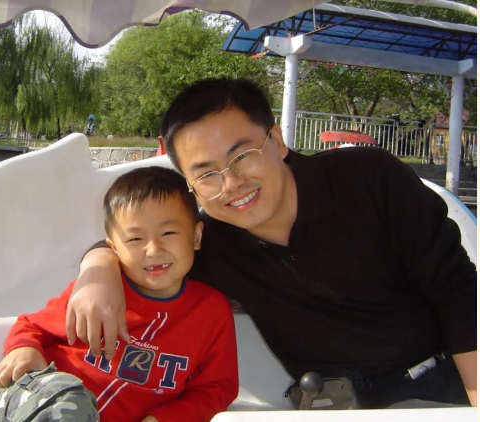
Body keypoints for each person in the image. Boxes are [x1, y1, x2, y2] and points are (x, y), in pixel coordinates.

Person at [66, 78, 477, 409]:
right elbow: (141, 247)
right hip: (330, 401)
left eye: (242, 156)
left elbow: (458, 291)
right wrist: (97, 268)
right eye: (206, 174)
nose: (231, 184)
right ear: (191, 185)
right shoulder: (209, 241)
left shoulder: (368, 179)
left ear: (277, 141)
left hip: (436, 386)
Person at [0, 166, 239, 422]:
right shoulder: (99, 293)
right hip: (35, 404)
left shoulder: (211, 311)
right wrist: (24, 349)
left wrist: (163, 418)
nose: (154, 249)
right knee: (70, 406)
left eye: (168, 233)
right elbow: (31, 326)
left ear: (196, 235)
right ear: (113, 248)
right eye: (135, 239)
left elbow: (216, 389)